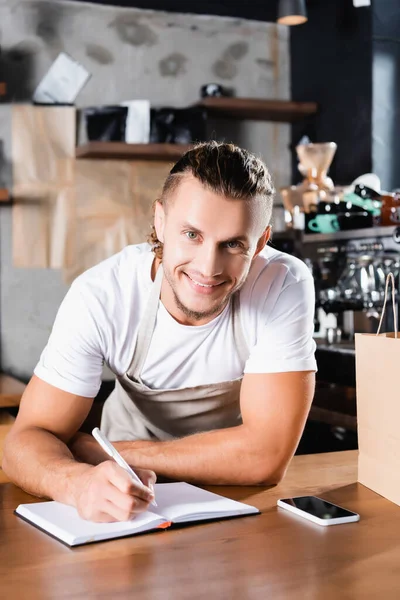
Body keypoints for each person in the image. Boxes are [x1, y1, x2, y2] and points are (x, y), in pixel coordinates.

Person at [3, 141, 316, 523]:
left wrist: (110, 452)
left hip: (230, 494)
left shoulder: (282, 283)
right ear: (160, 221)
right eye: (192, 235)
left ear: (262, 243)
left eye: (233, 244)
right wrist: (78, 482)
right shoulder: (103, 295)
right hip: (117, 490)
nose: (208, 268)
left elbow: (265, 458)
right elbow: (25, 439)